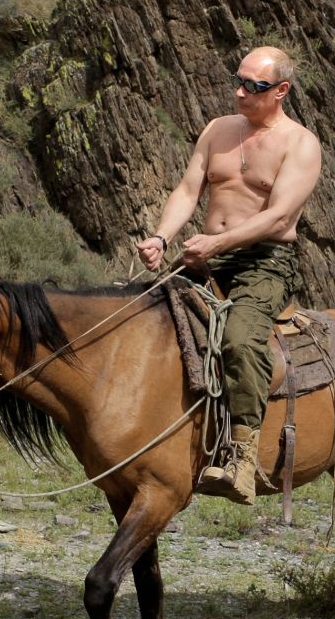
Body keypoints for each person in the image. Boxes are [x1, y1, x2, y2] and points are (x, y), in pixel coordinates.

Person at [136, 46, 324, 505]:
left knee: (241, 338)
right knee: (139, 312)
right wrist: (162, 237)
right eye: (236, 81)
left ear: (281, 91)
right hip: (207, 255)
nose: (239, 92)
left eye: (253, 87)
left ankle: (242, 458)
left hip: (265, 260)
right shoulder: (218, 130)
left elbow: (280, 218)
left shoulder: (301, 144)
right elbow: (187, 190)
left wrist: (217, 243)